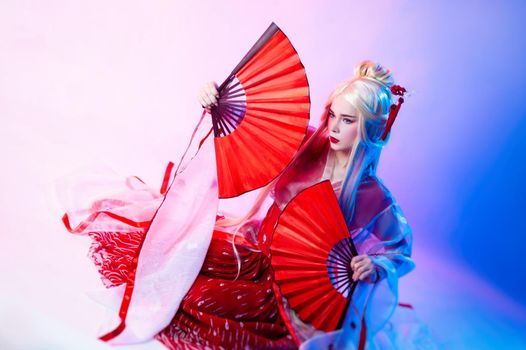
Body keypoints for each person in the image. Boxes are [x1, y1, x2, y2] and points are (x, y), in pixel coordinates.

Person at [58, 60, 439, 349]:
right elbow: (254, 126)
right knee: (170, 261)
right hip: (254, 248)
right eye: (332, 115)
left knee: (199, 302)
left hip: (290, 287)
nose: (334, 127)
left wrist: (374, 264)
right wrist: (218, 100)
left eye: (348, 121)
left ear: (370, 129)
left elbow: (399, 250)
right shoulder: (308, 145)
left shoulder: (372, 196)